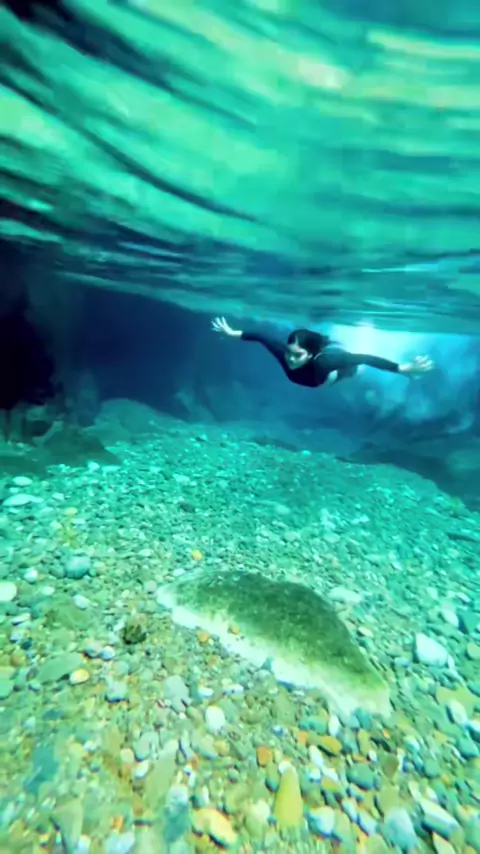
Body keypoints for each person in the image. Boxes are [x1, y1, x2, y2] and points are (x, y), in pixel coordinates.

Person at [211, 316, 433, 388]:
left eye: (297, 355)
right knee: (341, 355)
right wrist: (231, 333)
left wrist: (401, 368)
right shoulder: (283, 353)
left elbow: (365, 357)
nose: (290, 359)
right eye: (289, 352)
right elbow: (261, 336)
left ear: (309, 355)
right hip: (322, 367)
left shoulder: (324, 363)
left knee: (354, 367)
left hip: (333, 373)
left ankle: (357, 344)